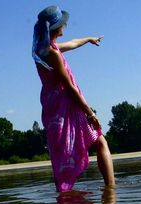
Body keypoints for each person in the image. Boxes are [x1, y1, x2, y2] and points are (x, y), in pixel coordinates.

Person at [33, 5, 115, 192]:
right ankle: (111, 191)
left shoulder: (43, 49)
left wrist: (88, 39)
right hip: (65, 103)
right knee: (100, 141)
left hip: (51, 104)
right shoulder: (53, 54)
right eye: (63, 23)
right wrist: (90, 112)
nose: (65, 26)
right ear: (56, 27)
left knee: (61, 151)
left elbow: (72, 43)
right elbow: (69, 86)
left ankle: (63, 198)